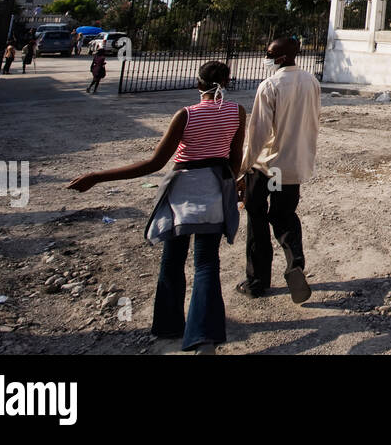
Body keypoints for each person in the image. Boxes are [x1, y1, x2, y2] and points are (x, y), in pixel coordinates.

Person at [68, 61, 246, 354]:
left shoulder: (186, 115)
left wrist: (98, 176)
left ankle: (168, 325)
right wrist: (231, 185)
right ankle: (205, 337)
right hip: (215, 188)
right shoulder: (236, 112)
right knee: (206, 264)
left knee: (172, 260)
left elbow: (153, 164)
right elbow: (235, 155)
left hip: (183, 190)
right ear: (228, 82)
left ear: (197, 83)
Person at [238, 36, 320, 303]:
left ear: (281, 57)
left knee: (258, 220)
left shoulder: (270, 86)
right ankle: (294, 262)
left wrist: (243, 167)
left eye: (270, 53)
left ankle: (257, 281)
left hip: (267, 167)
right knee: (285, 217)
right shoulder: (311, 82)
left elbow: (259, 132)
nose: (267, 56)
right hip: (291, 166)